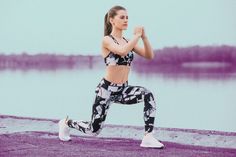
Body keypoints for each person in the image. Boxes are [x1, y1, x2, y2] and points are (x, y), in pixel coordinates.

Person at [58, 5, 164, 148]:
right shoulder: (107, 40)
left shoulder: (127, 41)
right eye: (122, 17)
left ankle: (148, 137)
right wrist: (137, 36)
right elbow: (121, 52)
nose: (126, 20)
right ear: (112, 20)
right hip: (106, 90)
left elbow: (149, 55)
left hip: (123, 90)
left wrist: (144, 37)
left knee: (148, 94)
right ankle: (66, 123)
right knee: (93, 130)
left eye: (127, 17)